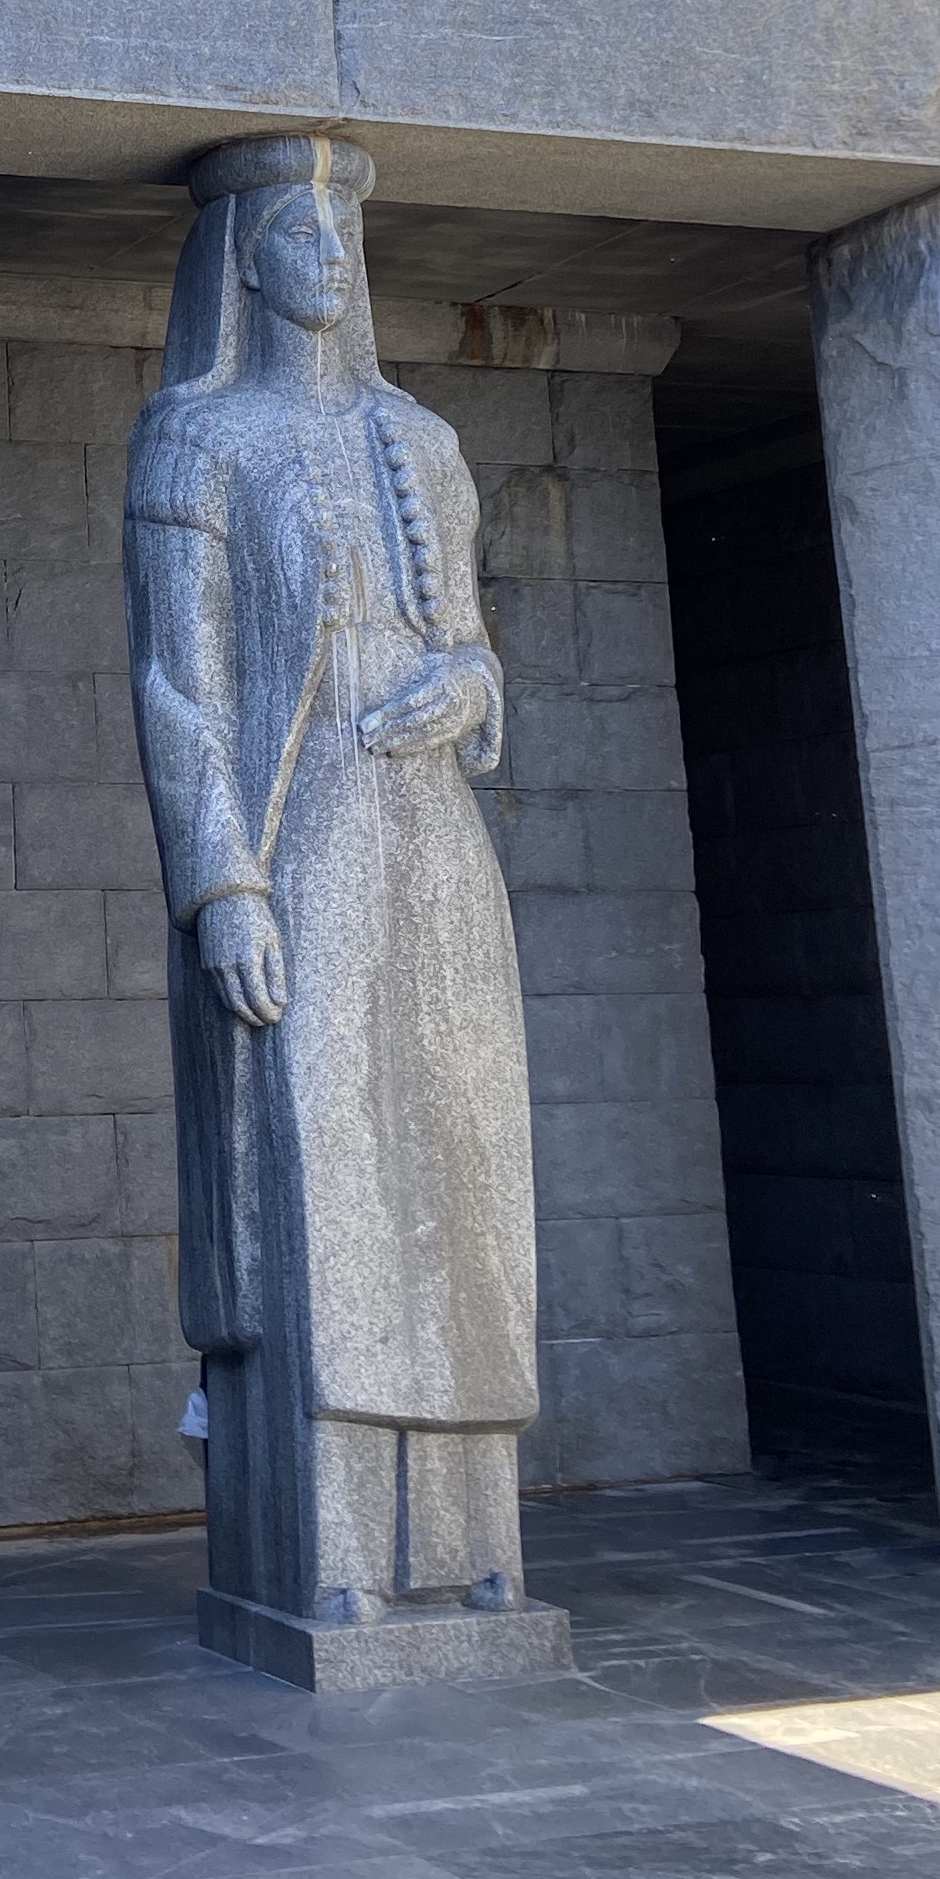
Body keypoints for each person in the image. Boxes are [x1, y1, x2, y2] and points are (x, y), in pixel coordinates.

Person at [123, 129, 541, 1641]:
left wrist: (470, 688)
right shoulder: (198, 436)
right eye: (296, 232)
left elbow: (474, 636)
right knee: (328, 1181)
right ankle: (337, 1548)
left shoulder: (421, 439)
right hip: (308, 839)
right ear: (243, 256)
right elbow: (180, 682)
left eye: (345, 232)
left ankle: (477, 1540)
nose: (328, 256)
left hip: (433, 831)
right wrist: (221, 882)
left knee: (462, 1172)